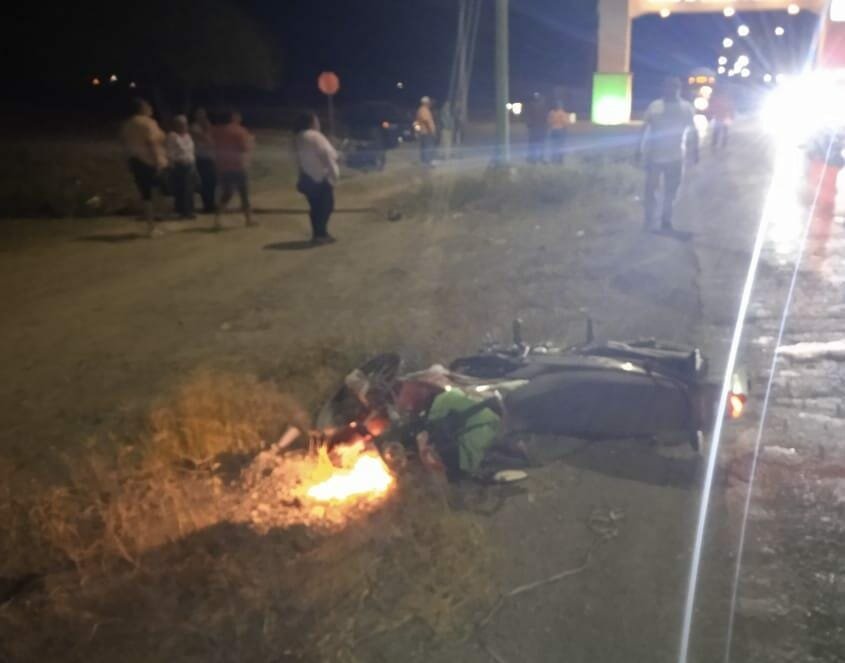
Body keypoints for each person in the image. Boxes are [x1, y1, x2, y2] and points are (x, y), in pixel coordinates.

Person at [638, 77, 699, 232]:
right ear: (663, 89)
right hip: (655, 156)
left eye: (674, 87)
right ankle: (649, 219)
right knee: (651, 190)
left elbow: (693, 131)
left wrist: (695, 151)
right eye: (668, 87)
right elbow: (644, 128)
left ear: (679, 89)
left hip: (675, 157)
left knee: (671, 191)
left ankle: (666, 219)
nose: (671, 90)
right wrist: (638, 149)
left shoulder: (686, 108)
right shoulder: (655, 106)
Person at [120, 98, 167, 237]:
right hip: (150, 161)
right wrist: (158, 160)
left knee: (145, 195)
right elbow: (151, 142)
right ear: (142, 108)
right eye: (148, 106)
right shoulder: (148, 123)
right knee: (159, 191)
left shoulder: (127, 124)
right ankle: (155, 224)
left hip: (135, 160)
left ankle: (150, 226)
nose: (150, 108)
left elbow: (124, 143)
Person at [293, 112, 340, 245]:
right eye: (316, 120)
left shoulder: (298, 137)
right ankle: (321, 233)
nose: (318, 123)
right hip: (320, 177)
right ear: (311, 122)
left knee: (315, 207)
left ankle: (318, 234)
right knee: (327, 206)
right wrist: (334, 174)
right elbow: (327, 155)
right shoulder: (315, 136)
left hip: (307, 177)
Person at [211, 109, 255, 229]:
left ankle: (217, 219)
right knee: (243, 192)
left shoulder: (217, 130)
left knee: (227, 193)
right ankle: (248, 219)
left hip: (222, 165)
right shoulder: (240, 131)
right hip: (238, 165)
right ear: (233, 117)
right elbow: (244, 148)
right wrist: (250, 142)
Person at [166, 115, 196, 219]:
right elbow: (170, 152)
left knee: (189, 189)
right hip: (179, 165)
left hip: (190, 164)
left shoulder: (187, 135)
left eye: (185, 124)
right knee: (182, 189)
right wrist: (171, 164)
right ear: (176, 125)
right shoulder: (172, 136)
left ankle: (189, 210)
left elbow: (190, 150)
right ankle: (184, 211)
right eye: (182, 124)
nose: (184, 126)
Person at [190, 108, 216, 213]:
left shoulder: (207, 125)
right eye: (200, 114)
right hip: (200, 157)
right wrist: (207, 130)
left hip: (210, 157)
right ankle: (207, 205)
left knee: (212, 181)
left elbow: (212, 140)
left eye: (203, 114)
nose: (202, 116)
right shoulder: (194, 127)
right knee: (204, 182)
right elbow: (205, 139)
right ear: (195, 115)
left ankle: (211, 204)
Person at [525, 92, 547, 164]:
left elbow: (528, 116)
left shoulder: (531, 105)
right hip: (539, 127)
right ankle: (539, 158)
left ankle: (533, 158)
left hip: (535, 127)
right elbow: (545, 117)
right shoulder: (543, 106)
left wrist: (529, 124)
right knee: (540, 144)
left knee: (533, 144)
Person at [547, 100, 570, 164]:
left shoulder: (551, 113)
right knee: (560, 146)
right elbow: (566, 123)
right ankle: (560, 160)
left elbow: (549, 122)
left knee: (553, 146)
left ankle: (553, 159)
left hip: (553, 130)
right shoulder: (562, 113)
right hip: (560, 130)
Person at [415, 96, 437, 166]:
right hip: (427, 132)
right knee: (428, 147)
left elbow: (417, 123)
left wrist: (417, 131)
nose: (430, 103)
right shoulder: (424, 110)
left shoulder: (420, 110)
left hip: (423, 132)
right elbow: (426, 121)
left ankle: (424, 162)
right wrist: (431, 131)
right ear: (425, 103)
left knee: (424, 147)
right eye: (429, 102)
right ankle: (428, 162)